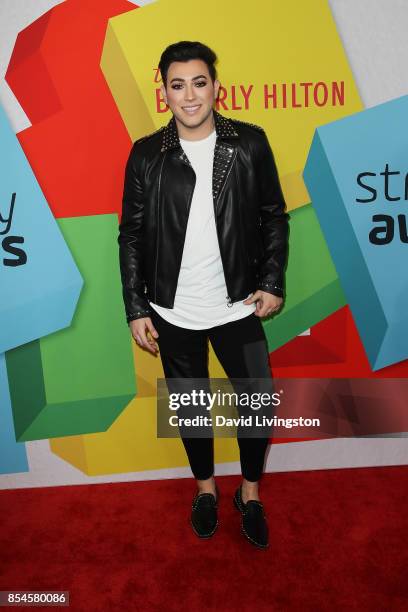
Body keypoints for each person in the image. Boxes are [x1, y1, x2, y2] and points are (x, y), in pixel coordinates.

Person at [118, 41, 289, 548]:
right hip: (173, 311)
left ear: (216, 87)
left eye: (198, 82)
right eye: (177, 84)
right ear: (165, 93)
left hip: (237, 304)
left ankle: (250, 495)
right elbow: (131, 234)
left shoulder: (250, 144)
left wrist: (271, 280)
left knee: (258, 404)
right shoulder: (147, 154)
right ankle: (206, 490)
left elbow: (274, 215)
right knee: (191, 411)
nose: (189, 95)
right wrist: (135, 307)